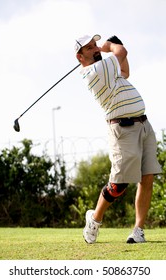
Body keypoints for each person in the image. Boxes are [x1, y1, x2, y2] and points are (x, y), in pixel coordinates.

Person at [74, 34, 162, 244]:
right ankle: (94, 219)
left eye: (96, 45)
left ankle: (138, 230)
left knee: (147, 177)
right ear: (80, 57)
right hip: (123, 130)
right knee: (118, 185)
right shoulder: (94, 71)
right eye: (90, 48)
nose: (96, 49)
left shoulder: (108, 71)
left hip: (143, 125)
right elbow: (121, 53)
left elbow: (125, 71)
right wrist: (111, 45)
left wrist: (113, 47)